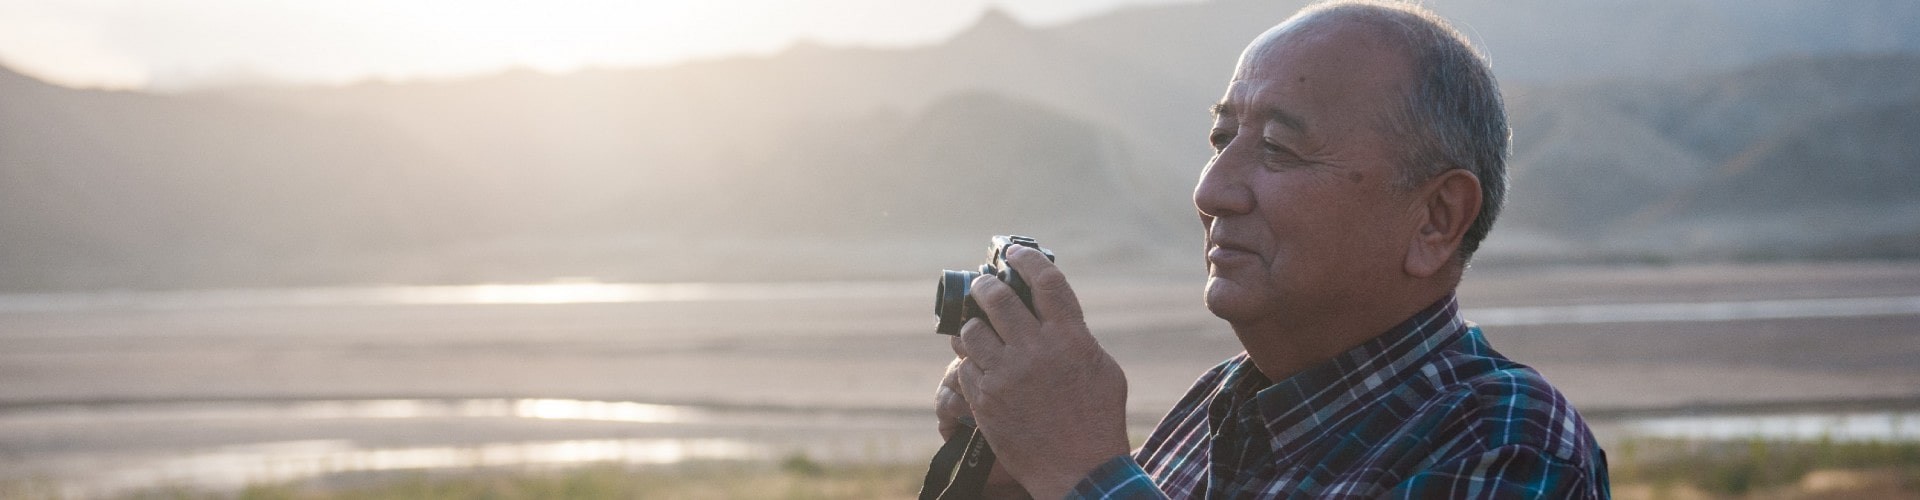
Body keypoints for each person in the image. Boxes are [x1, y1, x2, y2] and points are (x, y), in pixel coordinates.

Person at [935, 1, 1611, 498]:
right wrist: (1013, 475)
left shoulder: (1506, 444)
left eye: (1280, 149)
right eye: (1222, 139)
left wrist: (1082, 471)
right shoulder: (1219, 407)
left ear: (1435, 219)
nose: (1212, 189)